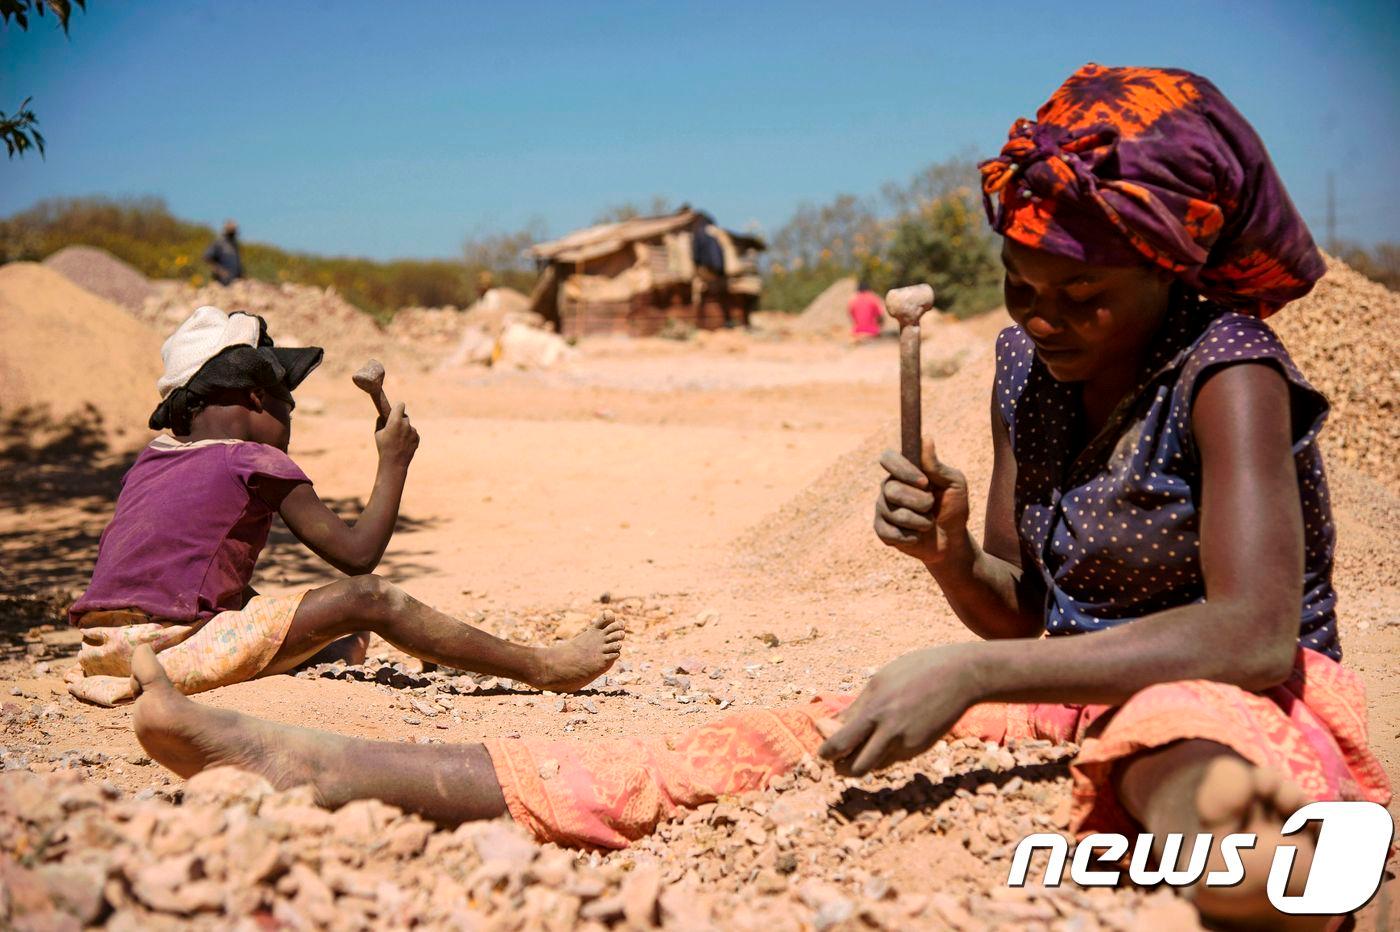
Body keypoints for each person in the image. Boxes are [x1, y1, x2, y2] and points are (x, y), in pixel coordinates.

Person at [124, 65, 1387, 928]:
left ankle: (1295, 861)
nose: (1045, 321)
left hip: (1230, 695)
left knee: (1190, 783)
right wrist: (951, 561)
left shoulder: (1226, 373)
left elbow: (1251, 628)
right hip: (1062, 693)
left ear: (1170, 271)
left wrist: (974, 676)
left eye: (1083, 296)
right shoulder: (1024, 372)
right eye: (1021, 287)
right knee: (717, 750)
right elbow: (1024, 621)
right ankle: (310, 757)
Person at [67, 305, 623, 706]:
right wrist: (394, 461)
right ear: (257, 395)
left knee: (264, 603)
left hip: (103, 648)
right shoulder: (253, 459)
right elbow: (359, 559)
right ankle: (544, 667)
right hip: (172, 648)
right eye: (289, 402)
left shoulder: (153, 458)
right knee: (370, 601)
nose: (289, 418)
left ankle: (338, 653)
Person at [203, 220, 244, 285]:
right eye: (231, 230)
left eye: (234, 230)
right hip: (222, 283)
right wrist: (220, 271)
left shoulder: (234, 245)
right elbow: (207, 258)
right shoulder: (219, 243)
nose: (233, 233)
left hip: (235, 282)